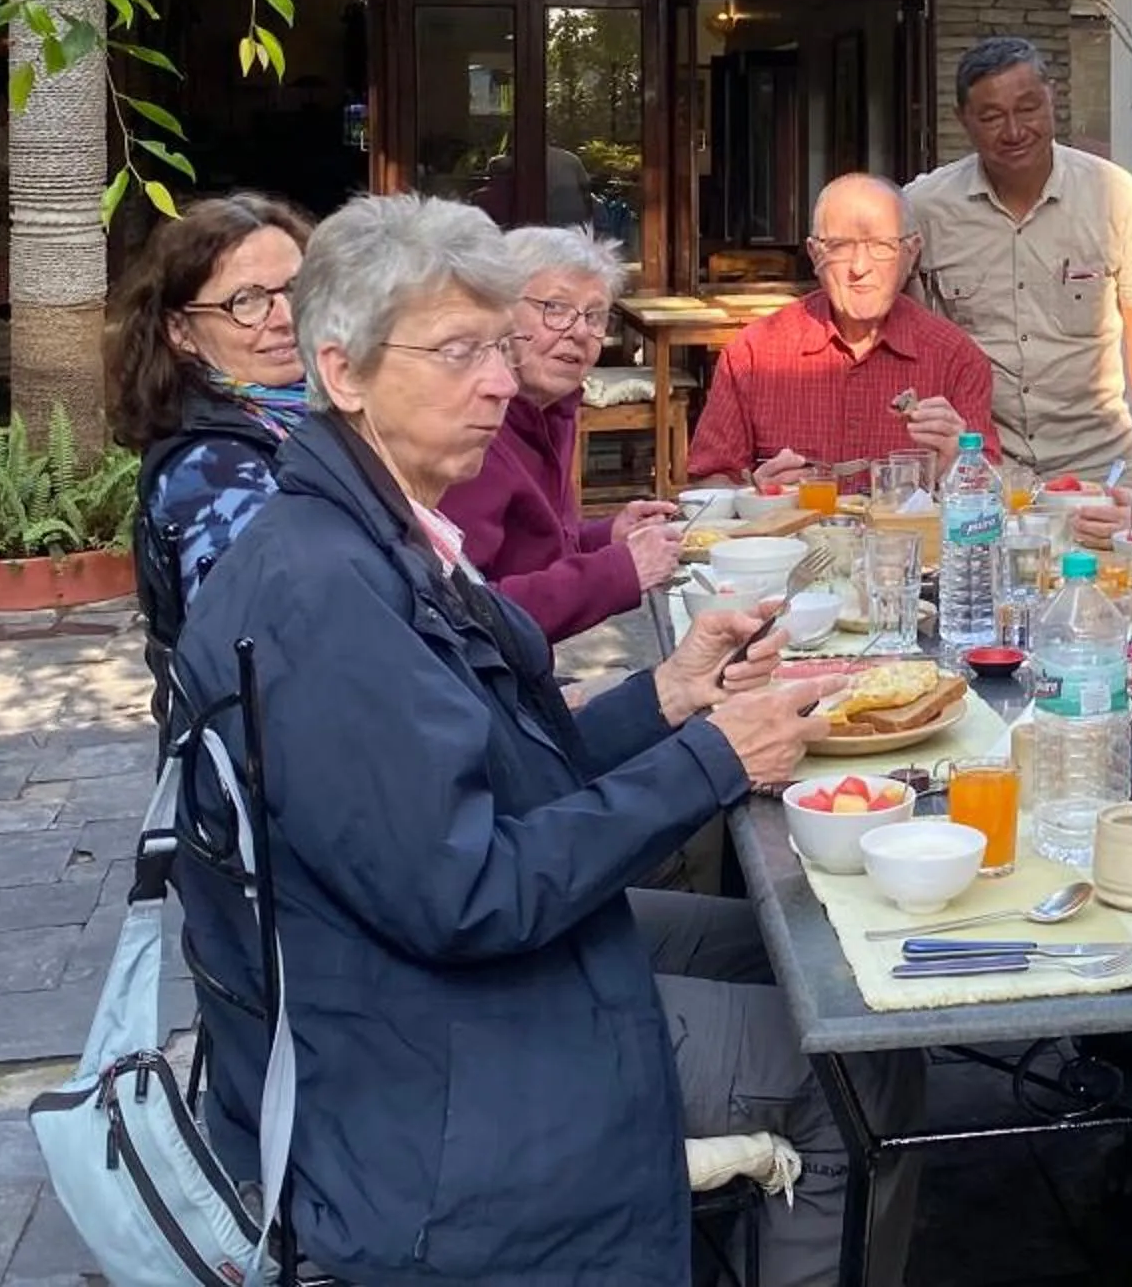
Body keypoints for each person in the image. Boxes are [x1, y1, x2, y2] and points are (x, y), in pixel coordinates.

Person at [173, 194, 917, 1287]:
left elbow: (493, 768)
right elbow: (471, 893)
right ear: (344, 372)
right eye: (459, 351)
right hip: (425, 1069)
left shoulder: (380, 532)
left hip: (419, 975)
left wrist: (667, 695)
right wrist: (715, 758)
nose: (501, 380)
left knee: (789, 942)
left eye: (497, 347)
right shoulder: (322, 595)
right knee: (860, 1073)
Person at [906, 35, 1132, 500]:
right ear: (963, 122)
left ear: (1051, 100)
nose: (1014, 131)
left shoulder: (1115, 195)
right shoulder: (925, 208)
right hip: (983, 464)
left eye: (1028, 108)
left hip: (1102, 467)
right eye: (991, 117)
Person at [106, 192, 315, 702]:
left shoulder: (316, 417)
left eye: (298, 288)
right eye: (246, 301)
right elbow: (269, 659)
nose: (285, 316)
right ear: (181, 331)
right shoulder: (215, 471)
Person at [444, 225, 686, 643]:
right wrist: (621, 571)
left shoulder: (552, 409)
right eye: (555, 307)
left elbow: (532, 556)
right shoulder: (472, 428)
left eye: (594, 316)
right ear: (499, 311)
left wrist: (607, 536)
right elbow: (463, 614)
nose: (577, 331)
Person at [686, 174, 995, 487]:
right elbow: (707, 485)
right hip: (791, 535)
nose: (860, 267)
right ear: (814, 254)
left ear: (911, 252)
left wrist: (958, 463)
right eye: (839, 246)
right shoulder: (753, 353)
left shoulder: (956, 358)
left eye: (881, 246)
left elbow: (991, 498)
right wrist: (750, 492)